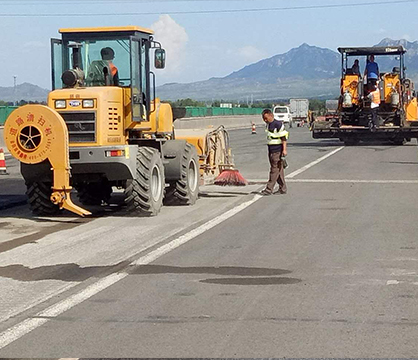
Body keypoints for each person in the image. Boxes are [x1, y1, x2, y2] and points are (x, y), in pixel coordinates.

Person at [260, 109, 289, 196]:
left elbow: (284, 138)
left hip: (277, 151)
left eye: (266, 118)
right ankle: (282, 188)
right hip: (271, 150)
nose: (265, 120)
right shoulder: (268, 125)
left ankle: (269, 189)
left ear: (270, 115)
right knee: (279, 170)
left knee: (274, 170)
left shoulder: (278, 124)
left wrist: (284, 150)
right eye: (263, 118)